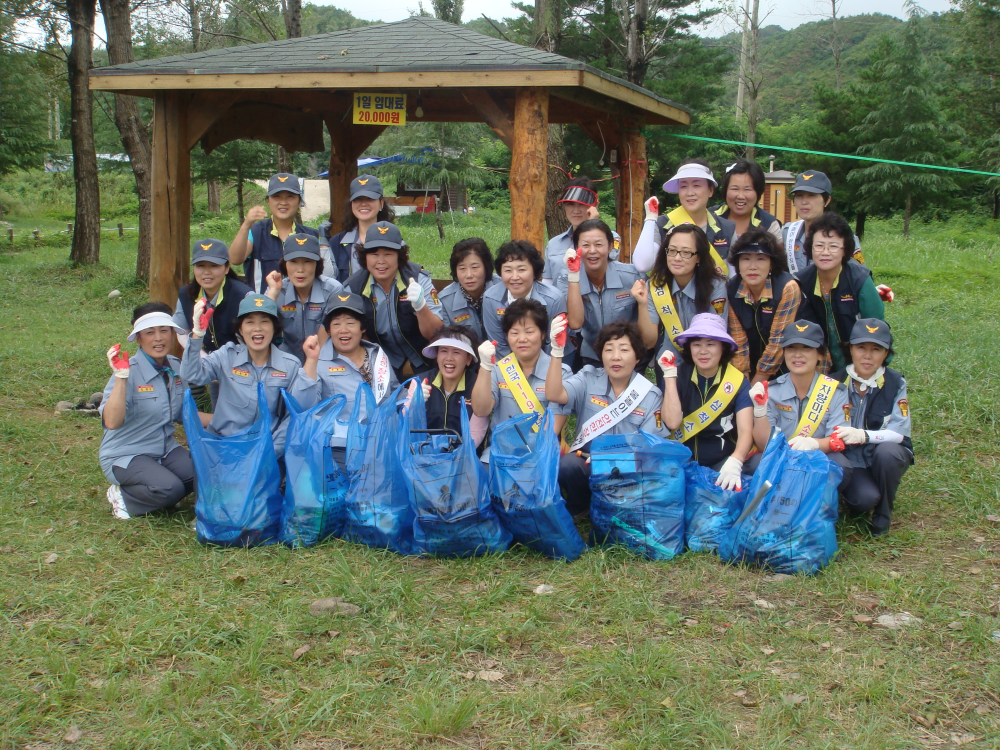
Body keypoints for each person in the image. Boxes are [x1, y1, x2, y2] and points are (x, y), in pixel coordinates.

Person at [545, 319, 668, 514]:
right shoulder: (587, 377)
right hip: (586, 462)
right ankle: (581, 507)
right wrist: (557, 351)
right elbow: (554, 394)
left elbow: (649, 445)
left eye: (624, 350)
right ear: (601, 355)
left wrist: (612, 461)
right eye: (609, 350)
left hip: (627, 468)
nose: (615, 357)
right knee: (568, 466)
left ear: (637, 357)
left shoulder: (650, 394)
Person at [99, 303, 194, 519]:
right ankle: (124, 496)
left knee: (203, 473)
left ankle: (156, 491)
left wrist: (232, 421)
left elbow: (186, 414)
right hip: (126, 454)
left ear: (172, 334)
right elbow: (112, 421)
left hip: (165, 449)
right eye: (150, 333)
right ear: (139, 339)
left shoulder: (176, 367)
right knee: (171, 489)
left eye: (164, 330)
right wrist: (122, 378)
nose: (158, 338)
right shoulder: (125, 370)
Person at [180, 293, 302, 458]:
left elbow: (292, 416)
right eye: (250, 322)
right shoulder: (226, 355)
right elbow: (192, 374)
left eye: (265, 322)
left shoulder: (290, 365)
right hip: (222, 446)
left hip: (266, 450)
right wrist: (197, 336)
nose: (257, 328)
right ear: (240, 329)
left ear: (275, 328)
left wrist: (270, 451)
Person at [290, 292, 399, 470]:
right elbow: (302, 406)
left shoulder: (377, 354)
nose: (343, 329)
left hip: (379, 449)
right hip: (337, 453)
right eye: (336, 324)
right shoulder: (318, 360)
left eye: (350, 323)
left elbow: (392, 394)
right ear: (328, 330)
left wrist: (410, 396)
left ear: (362, 328)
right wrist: (311, 360)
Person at [747, 319, 853, 492]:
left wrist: (813, 443)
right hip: (780, 458)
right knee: (755, 464)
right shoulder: (772, 390)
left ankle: (816, 506)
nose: (797, 355)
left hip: (817, 458)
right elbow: (763, 446)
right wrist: (760, 412)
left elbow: (837, 439)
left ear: (820, 354)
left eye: (806, 348)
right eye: (791, 348)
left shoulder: (836, 391)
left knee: (840, 465)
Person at [830, 319, 912, 536]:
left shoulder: (895, 382)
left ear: (886, 354)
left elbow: (899, 433)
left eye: (876, 349)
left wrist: (864, 435)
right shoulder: (833, 382)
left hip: (881, 453)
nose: (868, 356)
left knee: (889, 454)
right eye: (861, 348)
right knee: (863, 500)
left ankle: (883, 514)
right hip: (850, 460)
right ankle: (851, 498)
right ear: (850, 349)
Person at [660, 314, 754, 488]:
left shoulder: (738, 381)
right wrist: (670, 377)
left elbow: (745, 431)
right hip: (681, 462)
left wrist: (736, 461)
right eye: (696, 345)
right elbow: (672, 422)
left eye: (710, 344)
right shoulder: (677, 375)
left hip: (722, 462)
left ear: (723, 348)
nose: (703, 351)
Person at [471, 299, 570, 460]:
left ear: (543, 334)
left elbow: (552, 429)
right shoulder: (498, 370)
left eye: (529, 332)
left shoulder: (561, 373)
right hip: (499, 453)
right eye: (514, 333)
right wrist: (485, 367)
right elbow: (481, 410)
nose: (522, 339)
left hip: (539, 454)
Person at [344, 221, 444, 380]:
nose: (381, 261)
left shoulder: (418, 278)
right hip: (380, 357)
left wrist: (421, 306)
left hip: (422, 353)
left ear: (400, 256)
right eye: (374, 254)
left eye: (388, 254)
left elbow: (436, 332)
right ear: (365, 256)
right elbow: (352, 334)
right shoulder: (353, 288)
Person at [795, 212, 885, 373]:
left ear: (845, 250)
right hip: (819, 365)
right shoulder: (801, 282)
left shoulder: (860, 280)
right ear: (810, 247)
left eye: (833, 246)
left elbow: (878, 329)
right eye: (819, 245)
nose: (825, 252)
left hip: (861, 365)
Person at [641, 224, 728, 385]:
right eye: (672, 250)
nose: (677, 258)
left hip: (705, 363)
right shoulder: (655, 286)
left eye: (686, 252)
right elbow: (649, 341)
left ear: (699, 257)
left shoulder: (715, 286)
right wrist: (642, 304)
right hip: (668, 363)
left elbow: (715, 334)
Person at [557, 219, 644, 367]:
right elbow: (576, 323)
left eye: (598, 244)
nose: (592, 251)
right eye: (585, 245)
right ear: (576, 248)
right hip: (592, 357)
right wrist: (574, 277)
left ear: (610, 246)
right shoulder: (567, 279)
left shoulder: (631, 276)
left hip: (630, 357)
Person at [632, 159, 736, 279]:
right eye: (684, 186)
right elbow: (642, 265)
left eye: (696, 185)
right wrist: (650, 219)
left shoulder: (727, 229)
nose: (690, 193)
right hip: (671, 297)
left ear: (710, 190)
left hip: (714, 296)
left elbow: (734, 276)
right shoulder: (662, 225)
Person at [726, 229, 803, 384]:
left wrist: (755, 386)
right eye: (746, 259)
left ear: (771, 263)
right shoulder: (731, 289)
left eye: (760, 259)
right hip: (752, 367)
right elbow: (738, 342)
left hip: (790, 365)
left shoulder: (787, 287)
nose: (752, 266)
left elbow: (778, 342)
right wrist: (744, 386)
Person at [228, 173, 321, 294]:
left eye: (290, 197)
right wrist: (246, 225)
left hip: (300, 308)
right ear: (268, 201)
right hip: (263, 307)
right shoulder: (256, 232)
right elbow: (235, 259)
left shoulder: (311, 236)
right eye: (277, 196)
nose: (283, 202)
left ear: (299, 201)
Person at [262, 233, 343, 363]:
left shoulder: (333, 290)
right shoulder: (277, 289)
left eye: (307, 262)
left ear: (317, 264)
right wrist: (273, 293)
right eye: (293, 262)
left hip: (324, 361)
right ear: (285, 265)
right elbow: (259, 327)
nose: (300, 269)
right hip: (285, 362)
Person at [405, 325, 490, 450]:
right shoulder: (420, 382)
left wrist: (453, 457)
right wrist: (414, 405)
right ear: (437, 356)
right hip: (423, 456)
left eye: (456, 352)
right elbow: (404, 425)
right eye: (443, 351)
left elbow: (475, 434)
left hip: (464, 459)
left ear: (468, 359)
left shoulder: (478, 385)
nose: (449, 358)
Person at [482, 240, 567, 358]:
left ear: (534, 272)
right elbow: (499, 345)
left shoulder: (554, 299)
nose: (515, 277)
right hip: (508, 364)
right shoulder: (490, 298)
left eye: (521, 270)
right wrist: (517, 375)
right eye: (508, 270)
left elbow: (552, 345)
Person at [173, 238, 252, 352]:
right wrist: (201, 356)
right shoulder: (186, 294)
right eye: (200, 266)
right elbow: (182, 332)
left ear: (227, 268)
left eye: (214, 266)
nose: (206, 272)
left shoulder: (244, 296)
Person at [781, 170, 864, 273]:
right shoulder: (787, 233)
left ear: (827, 200)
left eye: (811, 195)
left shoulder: (842, 234)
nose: (804, 202)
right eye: (799, 196)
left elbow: (860, 274)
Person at [319, 173, 395, 283]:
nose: (364, 204)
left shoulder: (394, 239)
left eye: (369, 199)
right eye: (358, 199)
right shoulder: (337, 243)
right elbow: (327, 280)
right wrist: (324, 247)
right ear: (351, 204)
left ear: (381, 203)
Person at [542, 177, 620, 282]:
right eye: (570, 204)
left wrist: (592, 225)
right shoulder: (554, 243)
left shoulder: (612, 239)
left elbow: (606, 267)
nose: (576, 210)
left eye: (582, 204)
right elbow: (548, 281)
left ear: (595, 205)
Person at [436, 237, 499, 343]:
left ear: (486, 267)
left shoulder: (503, 288)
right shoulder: (445, 301)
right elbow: (448, 342)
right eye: (462, 268)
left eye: (475, 267)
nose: (469, 275)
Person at [714, 159, 782, 241]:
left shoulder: (769, 224)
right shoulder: (709, 217)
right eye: (735, 189)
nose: (741, 196)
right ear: (725, 190)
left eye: (747, 189)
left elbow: (778, 253)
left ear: (758, 192)